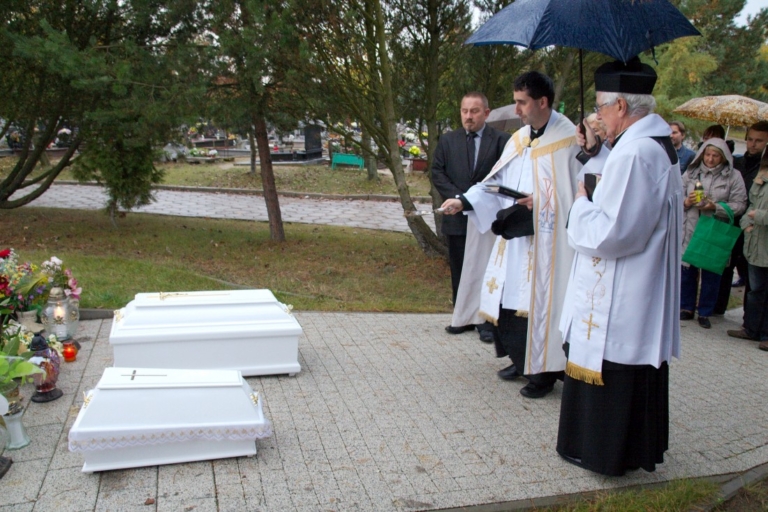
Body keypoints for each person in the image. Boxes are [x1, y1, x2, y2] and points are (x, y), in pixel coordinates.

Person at [556, 57, 682, 476]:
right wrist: (595, 152)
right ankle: (619, 451)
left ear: (622, 106)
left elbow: (612, 233)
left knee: (614, 365)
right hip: (637, 285)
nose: (598, 117)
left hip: (623, 290)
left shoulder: (637, 153)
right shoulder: (650, 144)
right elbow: (619, 191)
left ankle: (604, 454)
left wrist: (579, 204)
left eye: (600, 108)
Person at [440, 71, 581, 398]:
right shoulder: (520, 139)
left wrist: (541, 201)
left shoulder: (568, 140)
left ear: (542, 102)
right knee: (509, 302)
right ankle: (521, 360)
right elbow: (495, 181)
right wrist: (463, 201)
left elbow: (576, 195)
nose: (516, 110)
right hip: (516, 239)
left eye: (522, 103)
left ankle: (543, 372)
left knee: (540, 304)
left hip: (548, 246)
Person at [432, 92, 511, 342]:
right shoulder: (448, 140)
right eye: (464, 111)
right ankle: (462, 315)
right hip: (456, 216)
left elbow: (504, 177)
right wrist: (460, 200)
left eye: (474, 111)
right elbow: (437, 172)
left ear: (486, 113)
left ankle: (486, 321)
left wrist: (475, 202)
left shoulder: (501, 141)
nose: (468, 116)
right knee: (459, 267)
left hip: (487, 219)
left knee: (485, 269)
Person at [680, 139, 746, 328]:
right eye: (707, 154)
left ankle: (705, 311)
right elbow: (675, 195)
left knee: (711, 273)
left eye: (715, 155)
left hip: (714, 229)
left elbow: (740, 204)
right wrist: (686, 202)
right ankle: (686, 307)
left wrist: (715, 207)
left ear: (723, 157)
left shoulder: (733, 176)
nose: (710, 159)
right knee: (687, 270)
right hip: (691, 227)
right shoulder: (691, 172)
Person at [717, 121, 768, 313]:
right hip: (733, 220)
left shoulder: (764, 167)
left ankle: (750, 318)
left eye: (759, 141)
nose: (753, 144)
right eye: (750, 139)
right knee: (725, 265)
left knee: (750, 273)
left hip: (754, 225)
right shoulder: (737, 162)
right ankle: (718, 307)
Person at [728, 151, 768, 352]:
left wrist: (758, 216)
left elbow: (756, 211)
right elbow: (750, 204)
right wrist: (745, 223)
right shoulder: (762, 175)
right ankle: (751, 329)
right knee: (755, 290)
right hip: (755, 243)